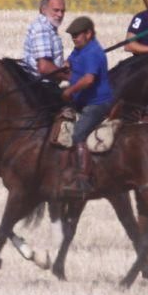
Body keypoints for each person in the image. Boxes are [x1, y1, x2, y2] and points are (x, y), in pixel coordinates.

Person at [61, 16, 114, 192]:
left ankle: (82, 178)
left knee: (77, 134)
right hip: (81, 101)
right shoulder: (80, 49)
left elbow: (89, 80)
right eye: (72, 36)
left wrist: (70, 91)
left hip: (97, 103)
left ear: (88, 34)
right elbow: (71, 60)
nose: (74, 38)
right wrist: (66, 64)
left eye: (77, 35)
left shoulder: (93, 52)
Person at [21, 0, 67, 82]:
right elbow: (44, 67)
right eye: (56, 10)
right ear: (43, 10)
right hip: (41, 87)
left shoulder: (49, 28)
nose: (60, 15)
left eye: (63, 11)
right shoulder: (42, 29)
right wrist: (70, 77)